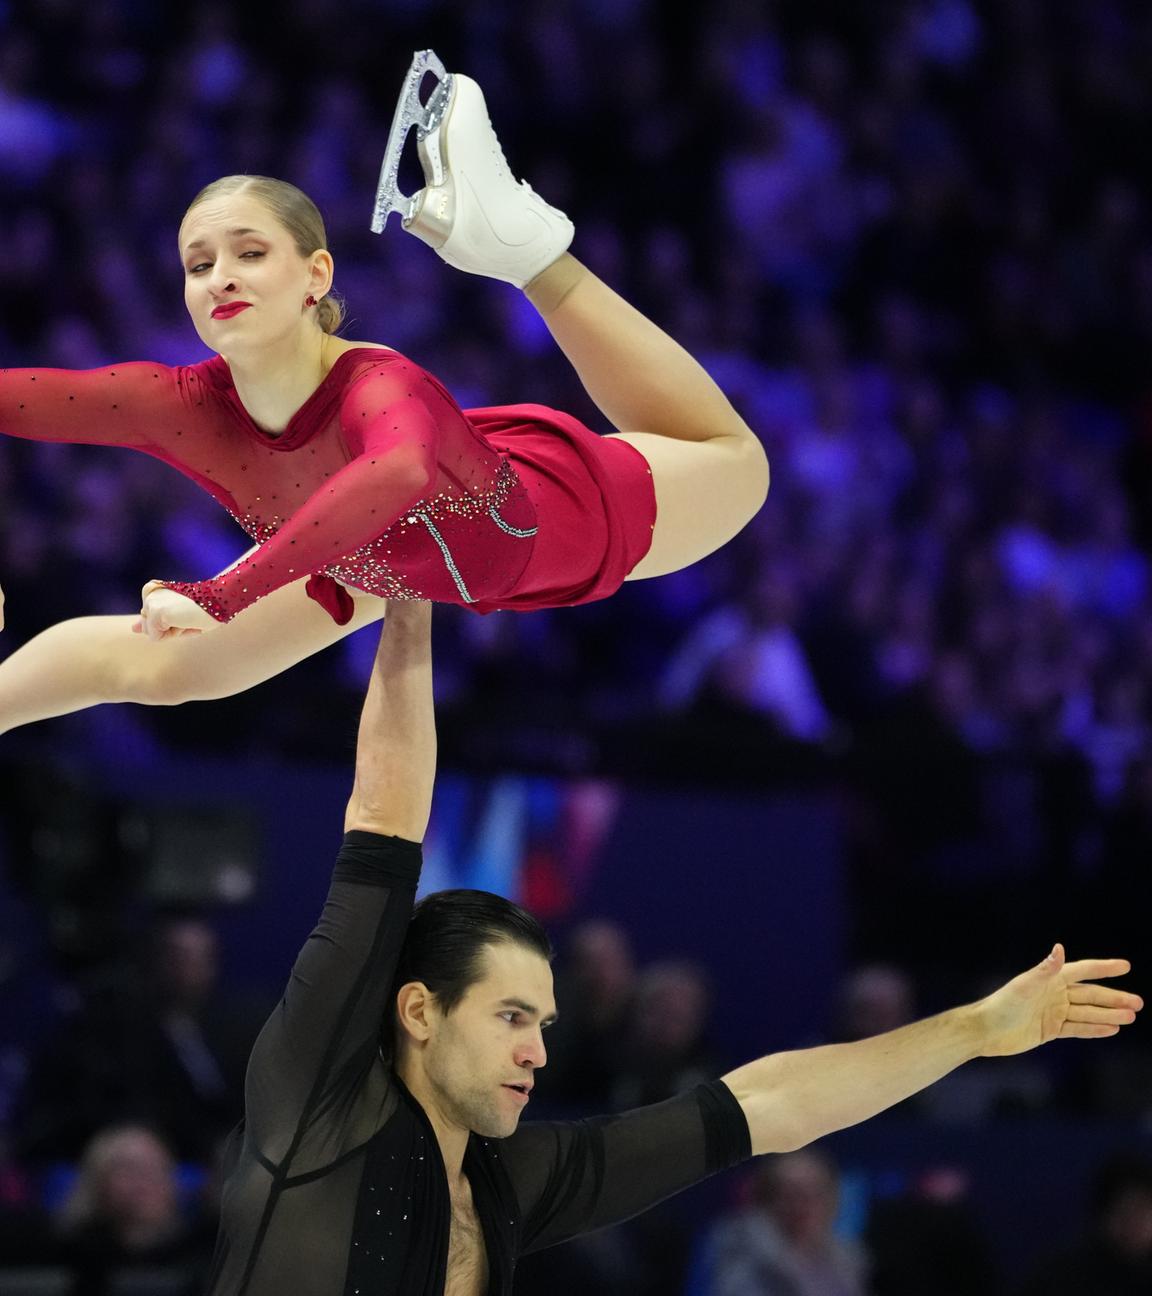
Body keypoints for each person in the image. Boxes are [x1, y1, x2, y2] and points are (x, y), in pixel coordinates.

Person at [200, 597, 1140, 1295]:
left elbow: (768, 1104)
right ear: (418, 1010)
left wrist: (976, 1029)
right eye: (512, 1017)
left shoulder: (517, 1181)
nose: (538, 1050)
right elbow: (385, 821)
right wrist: (411, 602)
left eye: (544, 1022)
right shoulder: (312, 1096)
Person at [0, 56, 769, 734]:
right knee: (166, 669)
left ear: (317, 275)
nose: (220, 276)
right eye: (198, 266)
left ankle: (529, 254)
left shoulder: (380, 385)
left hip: (547, 510)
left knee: (739, 467)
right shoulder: (177, 402)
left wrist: (224, 594)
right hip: (371, 555)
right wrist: (222, 600)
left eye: (250, 253)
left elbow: (396, 473)